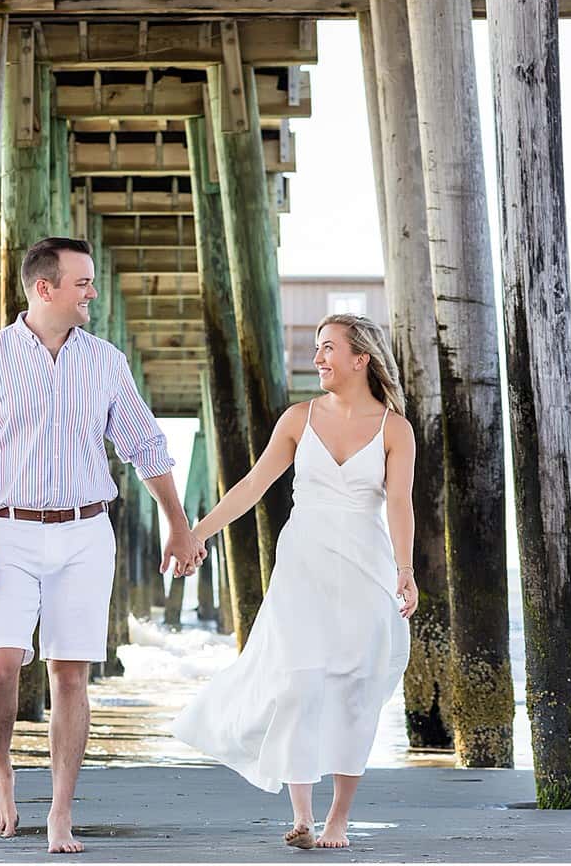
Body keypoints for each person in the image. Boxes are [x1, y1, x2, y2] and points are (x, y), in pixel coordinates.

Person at [0, 234, 200, 854]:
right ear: (43, 287)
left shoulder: (105, 361)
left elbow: (144, 445)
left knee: (70, 674)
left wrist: (178, 522)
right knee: (0, 669)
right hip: (5, 530)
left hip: (85, 531)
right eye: (82, 282)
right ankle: (2, 772)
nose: (92, 292)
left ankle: (59, 812)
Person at [170, 317, 418, 849]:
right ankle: (303, 815)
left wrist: (405, 569)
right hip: (303, 564)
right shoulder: (297, 419)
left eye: (329, 349)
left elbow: (399, 503)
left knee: (356, 690)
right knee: (299, 682)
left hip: (366, 569)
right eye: (316, 349)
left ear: (361, 359)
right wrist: (194, 534)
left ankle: (339, 820)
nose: (318, 358)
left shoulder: (395, 429)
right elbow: (253, 486)